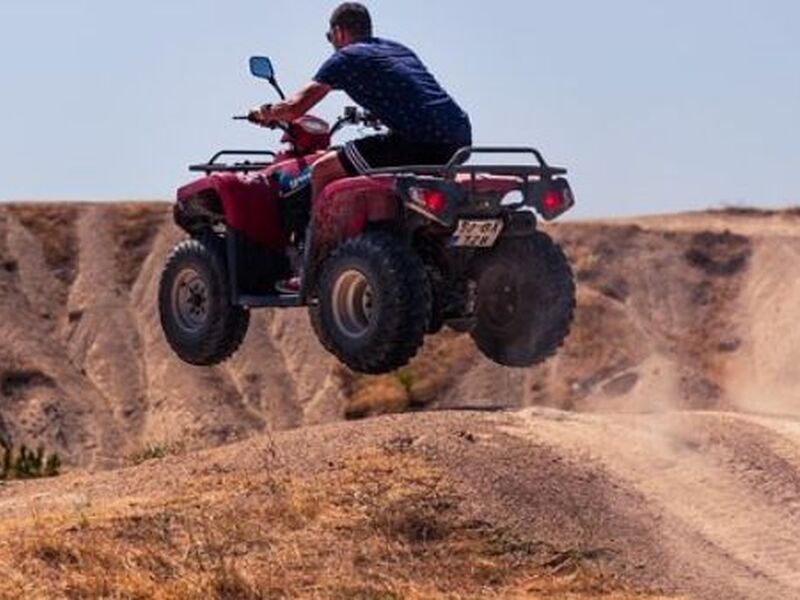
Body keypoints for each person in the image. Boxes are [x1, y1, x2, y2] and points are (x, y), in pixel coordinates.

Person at [249, 2, 472, 208]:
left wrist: (265, 113)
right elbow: (409, 91)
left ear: (338, 31)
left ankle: (320, 246)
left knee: (322, 170)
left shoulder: (345, 58)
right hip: (458, 137)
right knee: (375, 167)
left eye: (329, 36)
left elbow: (294, 108)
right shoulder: (397, 49)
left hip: (418, 141)